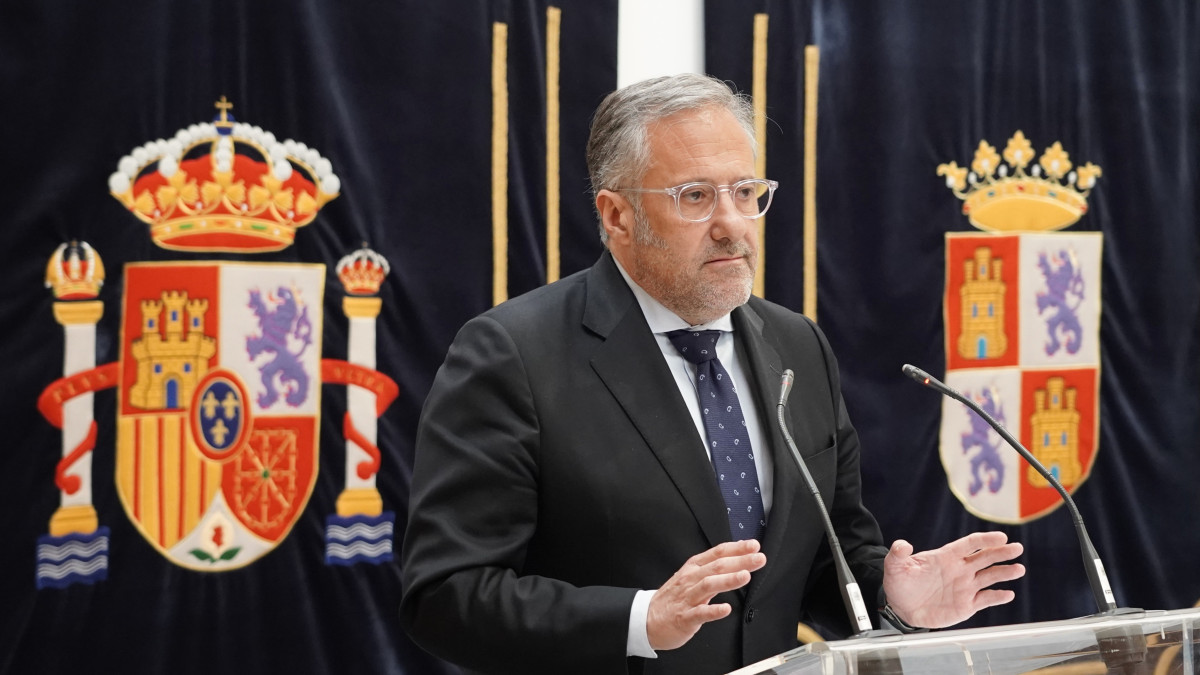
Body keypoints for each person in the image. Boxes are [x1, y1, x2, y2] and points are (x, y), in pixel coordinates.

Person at [399, 73, 1024, 675]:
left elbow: (818, 561)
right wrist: (642, 620)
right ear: (617, 216)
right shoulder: (513, 354)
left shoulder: (797, 345)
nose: (733, 223)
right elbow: (447, 596)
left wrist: (893, 602)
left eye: (746, 192)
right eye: (695, 197)